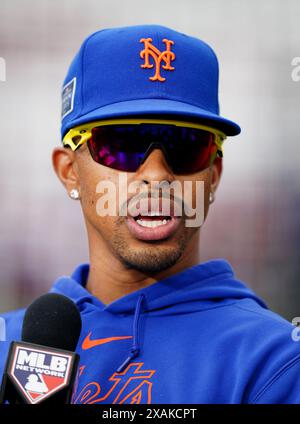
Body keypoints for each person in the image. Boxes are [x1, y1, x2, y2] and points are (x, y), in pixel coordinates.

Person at [1, 24, 300, 404]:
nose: (158, 176)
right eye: (121, 144)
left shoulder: (274, 361)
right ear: (68, 171)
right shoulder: (9, 343)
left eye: (188, 146)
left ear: (214, 176)